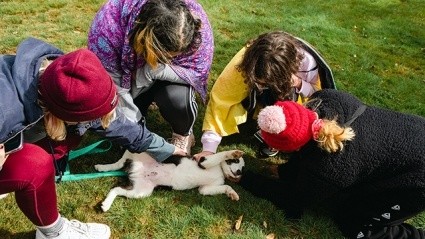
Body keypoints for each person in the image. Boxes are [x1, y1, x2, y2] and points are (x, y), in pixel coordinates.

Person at [0, 37, 185, 239]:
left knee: (66, 140)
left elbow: (113, 124)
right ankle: (55, 233)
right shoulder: (5, 110)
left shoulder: (66, 78)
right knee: (35, 165)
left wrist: (165, 149)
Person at [236, 89, 425, 239]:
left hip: (417, 179)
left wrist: (246, 179)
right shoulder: (326, 98)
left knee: (353, 222)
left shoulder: (328, 168)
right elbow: (304, 150)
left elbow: (293, 198)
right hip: (415, 133)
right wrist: (286, 172)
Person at [88, 0, 214, 155]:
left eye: (173, 56)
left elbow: (196, 72)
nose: (168, 59)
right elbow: (112, 84)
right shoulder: (108, 27)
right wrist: (136, 133)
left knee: (177, 100)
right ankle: (138, 126)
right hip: (128, 77)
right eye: (163, 56)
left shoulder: (193, 25)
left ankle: (183, 134)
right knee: (126, 121)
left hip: (165, 77)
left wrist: (154, 70)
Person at [193, 31, 333, 160]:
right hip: (262, 97)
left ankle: (277, 137)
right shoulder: (250, 60)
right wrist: (209, 149)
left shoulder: (308, 64)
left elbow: (319, 96)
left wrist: (298, 83)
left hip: (294, 99)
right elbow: (221, 99)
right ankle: (259, 120)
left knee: (287, 96)